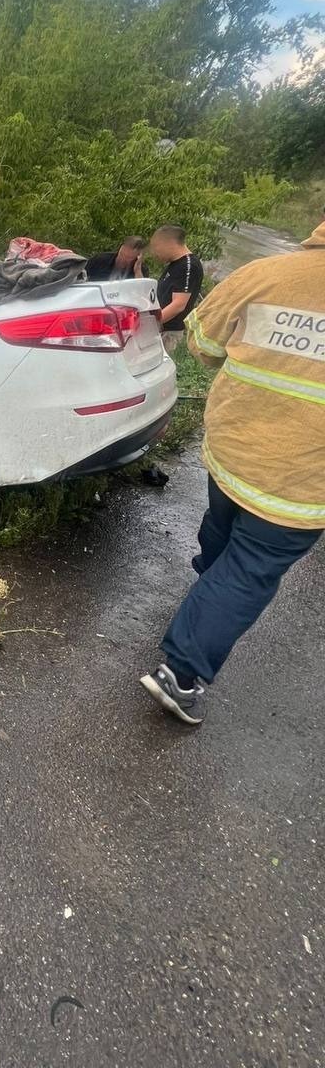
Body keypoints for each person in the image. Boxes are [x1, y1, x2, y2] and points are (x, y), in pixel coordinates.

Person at [140, 219, 325, 725]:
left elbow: (203, 341)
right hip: (302, 485)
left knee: (223, 536)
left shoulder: (262, 275)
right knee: (249, 572)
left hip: (233, 452)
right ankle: (181, 672)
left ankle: (206, 589)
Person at [150, 225, 203, 357]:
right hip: (160, 328)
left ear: (169, 243)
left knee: (155, 368)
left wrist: (150, 324)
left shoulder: (188, 266)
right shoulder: (175, 264)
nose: (154, 253)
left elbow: (178, 305)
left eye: (156, 247)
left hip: (168, 332)